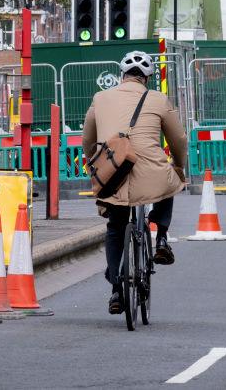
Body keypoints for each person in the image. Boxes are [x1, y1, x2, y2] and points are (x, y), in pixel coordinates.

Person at [82, 50, 188, 315]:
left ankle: (116, 290)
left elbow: (87, 140)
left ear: (122, 75)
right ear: (148, 78)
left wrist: (94, 164)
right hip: (150, 173)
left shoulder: (100, 97)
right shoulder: (158, 99)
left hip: (113, 173)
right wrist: (179, 165)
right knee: (170, 180)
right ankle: (161, 237)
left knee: (115, 228)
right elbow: (179, 141)